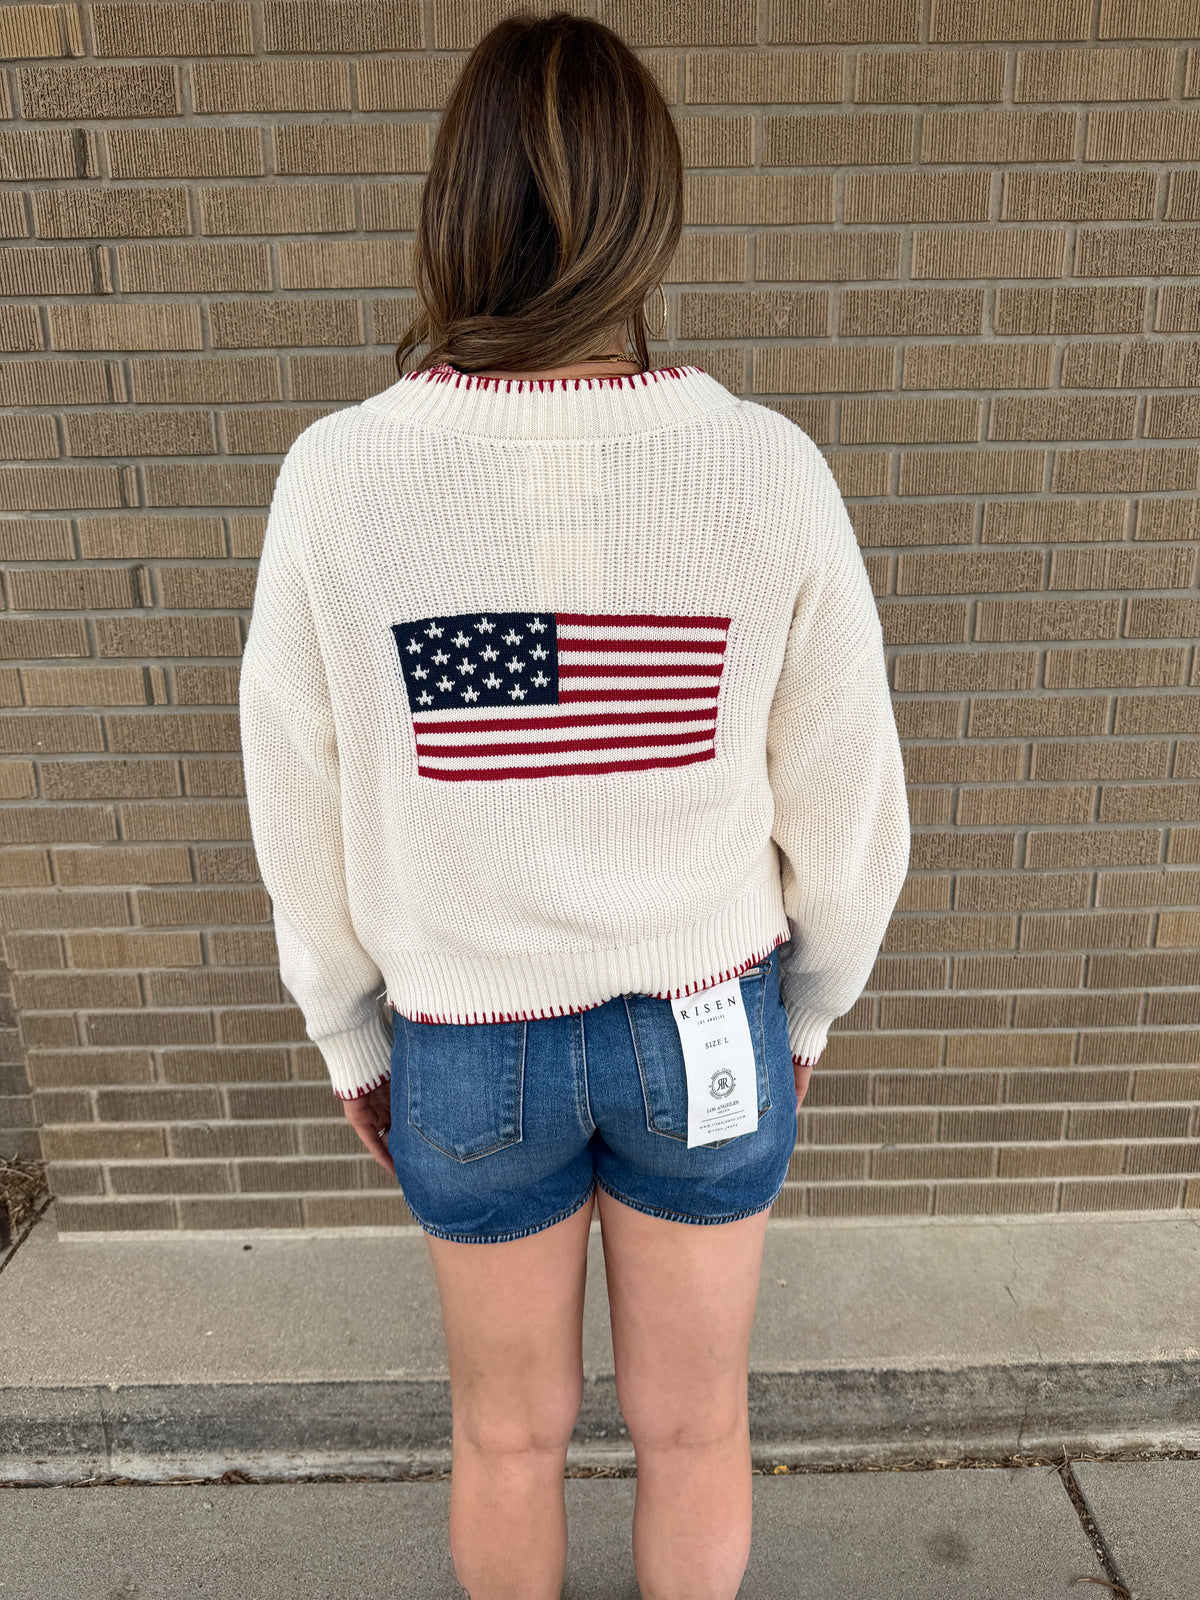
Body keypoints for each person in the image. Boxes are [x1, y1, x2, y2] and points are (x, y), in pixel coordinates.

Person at [239, 12, 910, 1598]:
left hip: (470, 1046)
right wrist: (807, 1016)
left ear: (452, 205)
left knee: (504, 1441)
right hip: (706, 1026)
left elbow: (295, 786)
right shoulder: (767, 469)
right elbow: (852, 799)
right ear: (645, 213)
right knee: (695, 1433)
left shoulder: (340, 476)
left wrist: (346, 1026)